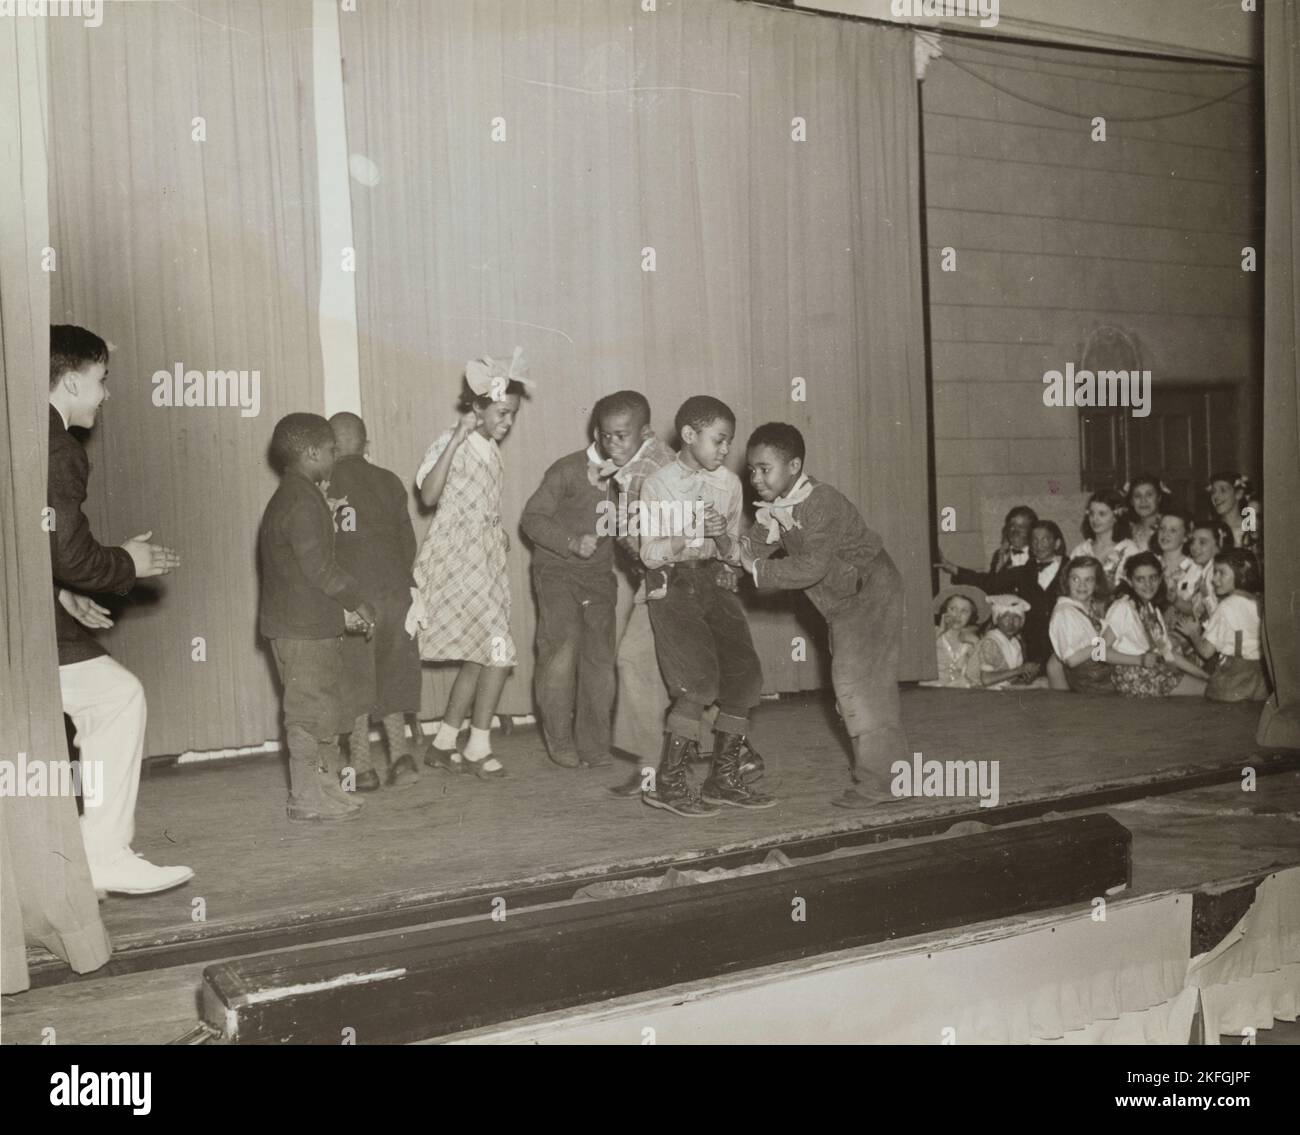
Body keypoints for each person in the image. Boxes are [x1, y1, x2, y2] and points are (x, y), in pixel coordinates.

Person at [47, 325, 194, 894]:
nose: (106, 394)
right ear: (70, 380)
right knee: (117, 697)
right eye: (101, 381)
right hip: (22, 637)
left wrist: (59, 592)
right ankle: (103, 852)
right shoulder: (59, 449)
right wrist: (128, 563)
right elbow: (69, 552)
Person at [741, 423, 910, 808]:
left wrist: (755, 569)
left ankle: (884, 782)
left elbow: (810, 567)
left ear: (795, 465)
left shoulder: (821, 501)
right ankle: (888, 775)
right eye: (751, 469)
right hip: (844, 601)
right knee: (854, 684)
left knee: (859, 683)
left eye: (764, 469)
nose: (755, 478)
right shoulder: (776, 509)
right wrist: (720, 550)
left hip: (871, 591)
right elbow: (747, 552)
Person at [638, 396, 773, 816]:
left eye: (728, 442)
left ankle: (723, 779)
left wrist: (722, 540)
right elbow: (649, 553)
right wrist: (689, 531)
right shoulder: (658, 484)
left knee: (745, 679)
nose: (724, 450)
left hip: (714, 580)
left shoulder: (729, 484)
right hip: (673, 583)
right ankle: (668, 784)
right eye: (718, 440)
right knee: (697, 683)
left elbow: (732, 552)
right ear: (689, 435)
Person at [414, 349, 530, 778]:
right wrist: (456, 439)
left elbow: (481, 502)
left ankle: (444, 742)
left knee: (479, 654)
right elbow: (428, 496)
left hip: (485, 560)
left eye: (513, 414)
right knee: (498, 650)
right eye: (501, 412)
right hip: (456, 560)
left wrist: (495, 530)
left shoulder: (492, 452)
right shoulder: (454, 442)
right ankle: (478, 744)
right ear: (476, 408)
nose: (508, 422)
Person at [259, 413, 377, 822]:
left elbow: (303, 576)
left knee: (325, 713)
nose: (334, 456)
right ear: (311, 453)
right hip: (301, 632)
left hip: (307, 626)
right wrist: (358, 601)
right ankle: (306, 797)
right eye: (330, 450)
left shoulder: (297, 495)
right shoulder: (301, 500)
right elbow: (319, 568)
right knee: (309, 716)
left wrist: (337, 616)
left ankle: (326, 789)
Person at [519, 403, 620, 770]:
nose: (620, 445)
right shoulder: (566, 469)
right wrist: (570, 540)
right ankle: (560, 739)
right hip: (557, 573)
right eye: (613, 436)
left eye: (630, 438)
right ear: (598, 434)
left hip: (599, 579)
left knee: (600, 663)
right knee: (561, 653)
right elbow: (532, 519)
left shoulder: (630, 476)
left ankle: (593, 746)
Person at [327, 412, 424, 790]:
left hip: (352, 598)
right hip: (394, 593)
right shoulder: (388, 481)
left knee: (354, 681)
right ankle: (401, 760)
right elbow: (407, 544)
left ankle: (362, 769)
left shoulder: (324, 481)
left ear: (330, 449)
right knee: (393, 673)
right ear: (366, 445)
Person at [1102, 552, 1206, 697]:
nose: (1148, 585)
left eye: (1153, 578)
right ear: (1130, 581)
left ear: (1160, 578)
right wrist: (1140, 660)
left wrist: (1203, 674)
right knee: (1209, 691)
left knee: (1208, 686)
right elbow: (1098, 651)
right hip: (1133, 676)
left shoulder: (1151, 610)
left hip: (1153, 671)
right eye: (1140, 579)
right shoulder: (1123, 607)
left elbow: (1167, 653)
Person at [1176, 548, 1268, 702]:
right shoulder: (1259, 601)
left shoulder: (1226, 606)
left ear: (1242, 574)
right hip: (1261, 679)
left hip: (1233, 678)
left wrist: (1193, 633)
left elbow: (1206, 652)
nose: (1214, 579)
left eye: (1221, 572)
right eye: (1214, 572)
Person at [1048, 555, 1114, 694]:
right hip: (1094, 684)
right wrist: (1105, 641)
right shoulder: (1065, 613)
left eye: (1088, 579)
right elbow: (1072, 659)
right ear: (1067, 581)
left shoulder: (1089, 607)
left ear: (1096, 583)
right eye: (1075, 579)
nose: (1082, 585)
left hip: (1105, 674)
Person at [935, 505, 1037, 589]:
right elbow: (988, 584)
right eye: (1012, 526)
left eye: (1022, 527)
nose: (1015, 532)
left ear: (1032, 531)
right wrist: (953, 568)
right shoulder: (1000, 555)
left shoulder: (1039, 555)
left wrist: (1000, 572)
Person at [1070, 489, 1140, 590]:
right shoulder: (1081, 550)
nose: (1095, 519)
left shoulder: (1128, 549)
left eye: (1102, 514)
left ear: (1116, 517)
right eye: (1091, 513)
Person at [920, 585, 986, 689]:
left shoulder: (971, 640)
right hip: (929, 690)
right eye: (953, 609)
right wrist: (940, 631)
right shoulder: (932, 633)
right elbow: (917, 662)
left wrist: (976, 643)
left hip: (958, 693)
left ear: (971, 616)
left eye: (964, 611)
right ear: (944, 611)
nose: (957, 615)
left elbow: (975, 676)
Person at [974, 595, 1040, 689]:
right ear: (997, 619)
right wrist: (1020, 670)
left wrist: (1026, 678)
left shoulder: (1015, 642)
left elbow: (1010, 679)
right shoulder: (990, 641)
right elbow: (986, 679)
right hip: (984, 692)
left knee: (1043, 682)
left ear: (1022, 622)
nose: (1011, 623)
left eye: (1016, 618)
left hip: (1004, 690)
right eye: (1006, 617)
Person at [1206, 471, 1258, 551]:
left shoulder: (1250, 530)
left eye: (1223, 490)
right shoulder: (1210, 530)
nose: (1215, 496)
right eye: (1213, 492)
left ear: (1238, 494)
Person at [1124, 475, 1168, 549]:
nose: (1143, 500)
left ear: (1159, 498)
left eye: (1149, 495)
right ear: (1131, 501)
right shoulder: (1129, 531)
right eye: (1137, 496)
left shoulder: (1169, 528)